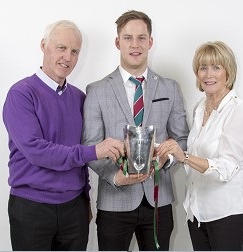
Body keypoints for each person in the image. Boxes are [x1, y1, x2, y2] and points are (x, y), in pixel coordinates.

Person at [2, 20, 124, 251]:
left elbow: (80, 159)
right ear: (43, 46)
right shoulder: (21, 94)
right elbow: (37, 151)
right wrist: (95, 151)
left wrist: (86, 198)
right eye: (61, 48)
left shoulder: (78, 98)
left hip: (74, 209)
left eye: (74, 51)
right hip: (31, 208)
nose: (67, 57)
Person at [82, 10, 189, 251]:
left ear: (150, 42)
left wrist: (167, 159)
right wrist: (114, 177)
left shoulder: (170, 88)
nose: (135, 45)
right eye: (128, 38)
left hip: (158, 201)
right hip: (114, 202)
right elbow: (91, 144)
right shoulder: (97, 90)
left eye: (141, 38)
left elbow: (182, 139)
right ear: (118, 42)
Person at [157, 41, 243, 251]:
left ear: (228, 72)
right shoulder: (200, 107)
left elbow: (226, 168)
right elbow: (194, 155)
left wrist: (183, 156)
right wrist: (168, 154)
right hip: (197, 213)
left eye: (216, 67)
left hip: (226, 215)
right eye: (203, 68)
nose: (208, 74)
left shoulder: (239, 111)